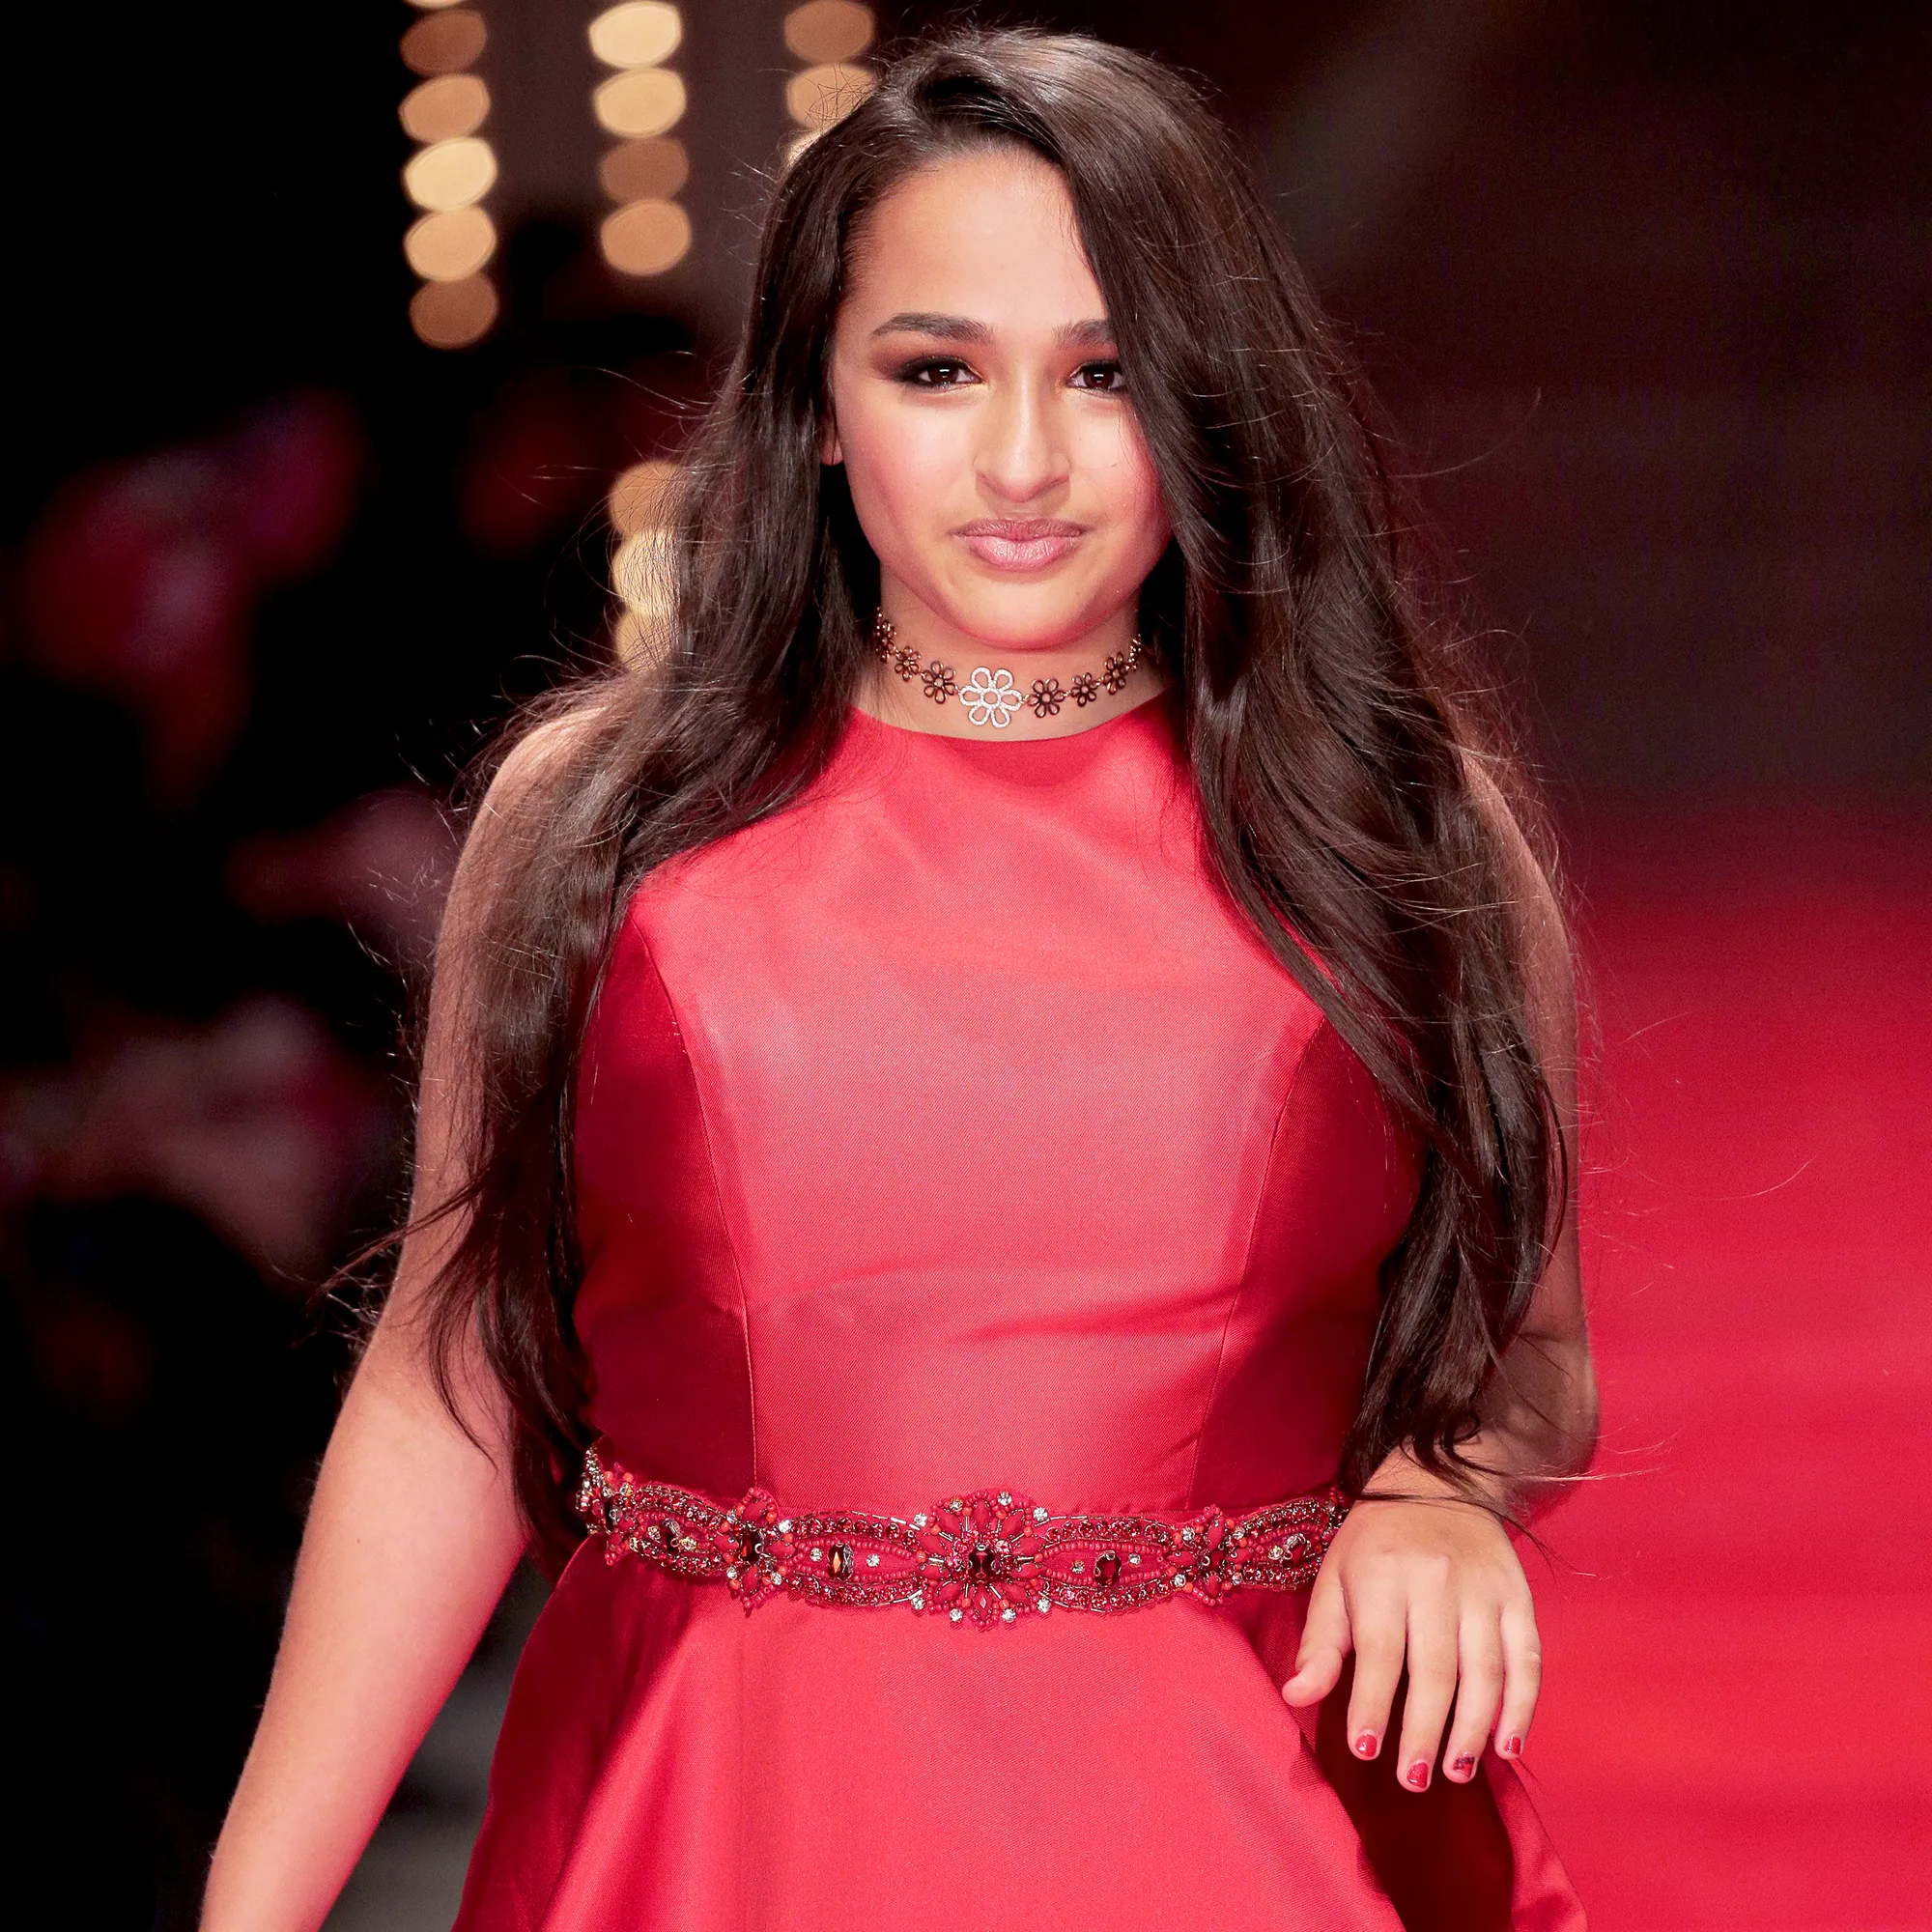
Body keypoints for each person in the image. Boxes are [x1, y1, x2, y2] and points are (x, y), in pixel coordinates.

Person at [204, 29, 1597, 1931]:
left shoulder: (1396, 833)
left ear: (1211, 402)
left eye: (1106, 375)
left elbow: (1531, 1364)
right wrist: (258, 1899)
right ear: (814, 403)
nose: (1020, 461)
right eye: (935, 369)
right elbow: (450, 1373)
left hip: (1236, 1824)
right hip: (715, 1821)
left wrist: (1439, 1484)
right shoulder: (601, 824)